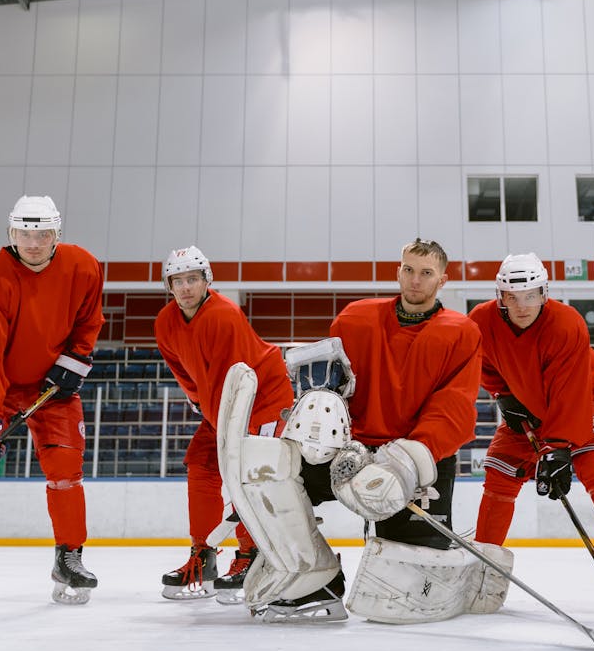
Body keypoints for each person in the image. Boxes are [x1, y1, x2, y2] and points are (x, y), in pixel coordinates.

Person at [218, 238, 510, 625]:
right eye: (408, 270)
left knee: (409, 582)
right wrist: (319, 429)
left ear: (442, 280)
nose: (415, 281)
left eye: (426, 273)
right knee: (275, 479)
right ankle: (315, 580)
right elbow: (330, 389)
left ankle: (468, 565)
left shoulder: (460, 332)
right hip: (349, 454)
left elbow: (454, 406)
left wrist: (407, 460)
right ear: (398, 271)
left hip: (416, 459)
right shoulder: (356, 319)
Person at [0, 195, 104, 607]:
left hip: (51, 386)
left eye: (42, 233)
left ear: (56, 235)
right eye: (24, 234)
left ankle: (69, 556)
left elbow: (89, 319)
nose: (33, 242)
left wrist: (75, 359)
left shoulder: (83, 266)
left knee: (67, 469)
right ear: (11, 234)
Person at [470, 253, 594, 615]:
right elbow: (483, 361)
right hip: (526, 403)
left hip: (587, 398)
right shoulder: (481, 320)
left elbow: (570, 392)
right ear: (500, 296)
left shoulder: (566, 323)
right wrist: (502, 394)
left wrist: (557, 451)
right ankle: (483, 565)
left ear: (544, 293)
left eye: (531, 295)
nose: (522, 305)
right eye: (513, 296)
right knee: (499, 472)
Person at [154, 245, 294, 602]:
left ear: (206, 281)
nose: (185, 287)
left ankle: (251, 556)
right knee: (200, 464)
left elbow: (234, 382)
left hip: (261, 400)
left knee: (245, 476)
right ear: (168, 285)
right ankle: (203, 555)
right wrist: (203, 406)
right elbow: (186, 375)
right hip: (219, 405)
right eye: (178, 281)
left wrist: (226, 433)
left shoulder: (223, 316)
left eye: (193, 279)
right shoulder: (165, 322)